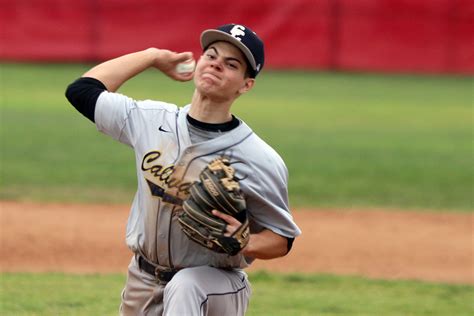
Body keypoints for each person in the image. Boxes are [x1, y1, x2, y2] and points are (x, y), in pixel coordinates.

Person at [65, 23, 301, 316]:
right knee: (173, 286)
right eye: (211, 56)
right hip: (144, 279)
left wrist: (246, 242)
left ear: (246, 84)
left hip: (215, 285)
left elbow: (282, 239)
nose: (216, 65)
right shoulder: (151, 121)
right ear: (199, 62)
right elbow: (81, 91)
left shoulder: (258, 158)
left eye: (230, 64)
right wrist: (151, 56)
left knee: (186, 284)